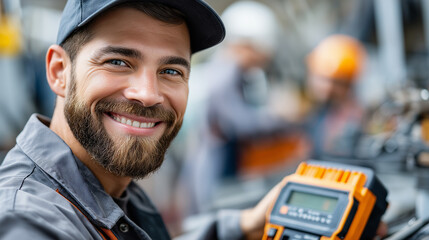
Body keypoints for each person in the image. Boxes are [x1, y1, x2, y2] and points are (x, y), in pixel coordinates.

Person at [0, 0, 282, 239]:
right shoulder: (26, 221)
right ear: (59, 72)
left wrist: (243, 225)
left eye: (171, 71)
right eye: (118, 62)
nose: (148, 95)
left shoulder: (106, 187)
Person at [303, 34, 367, 159]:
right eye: (323, 80)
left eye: (337, 83)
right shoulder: (315, 112)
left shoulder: (353, 120)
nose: (328, 88)